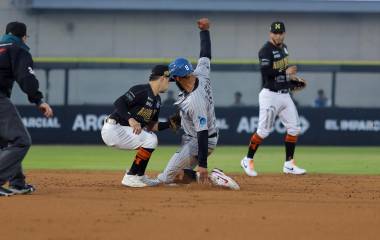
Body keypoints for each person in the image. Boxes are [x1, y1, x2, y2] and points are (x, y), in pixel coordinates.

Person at [156, 18, 239, 190]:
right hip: (196, 136)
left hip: (200, 140)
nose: (171, 80)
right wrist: (205, 31)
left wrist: (203, 165)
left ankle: (214, 176)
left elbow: (202, 133)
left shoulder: (195, 101)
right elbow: (205, 54)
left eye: (173, 78)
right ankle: (196, 175)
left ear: (179, 78)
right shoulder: (200, 73)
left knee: (166, 178)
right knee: (180, 177)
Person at [240, 21, 306, 177]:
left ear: (284, 33)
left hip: (284, 95)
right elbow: (266, 73)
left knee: (294, 128)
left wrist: (290, 82)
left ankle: (289, 164)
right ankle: (247, 159)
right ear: (270, 33)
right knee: (263, 131)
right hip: (270, 95)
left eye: (280, 33)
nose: (277, 35)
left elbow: (281, 75)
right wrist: (285, 72)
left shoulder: (284, 48)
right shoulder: (265, 50)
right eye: (275, 33)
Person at [101, 65, 178, 188]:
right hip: (114, 129)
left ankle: (139, 176)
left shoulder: (157, 101)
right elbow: (119, 102)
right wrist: (130, 119)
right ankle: (131, 176)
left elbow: (152, 126)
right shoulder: (141, 90)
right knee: (150, 139)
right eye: (169, 80)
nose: (169, 84)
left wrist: (170, 124)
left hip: (123, 131)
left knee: (151, 137)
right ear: (163, 78)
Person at [0, 21, 53, 197]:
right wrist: (38, 100)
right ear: (23, 36)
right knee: (21, 140)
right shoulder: (18, 48)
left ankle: (17, 182)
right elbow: (26, 77)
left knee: (5, 141)